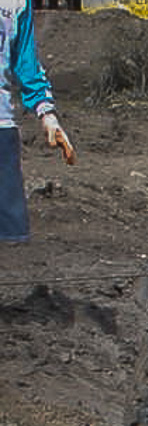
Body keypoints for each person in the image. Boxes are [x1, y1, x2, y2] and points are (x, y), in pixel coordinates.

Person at [2, 0, 73, 244]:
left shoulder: (16, 3)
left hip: (2, 128)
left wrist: (47, 115)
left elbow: (25, 62)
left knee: (13, 238)